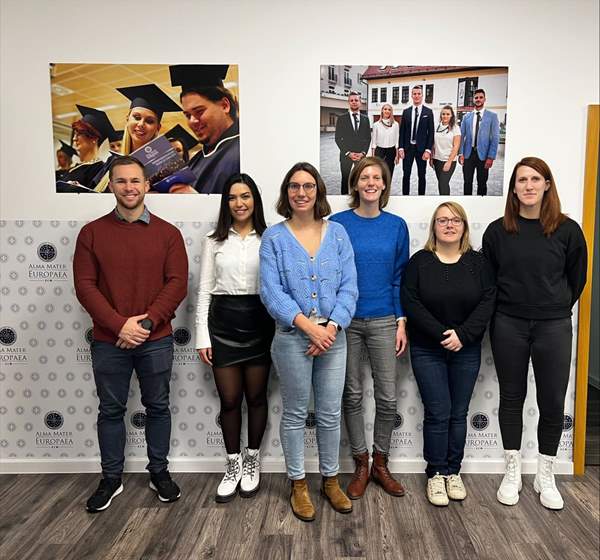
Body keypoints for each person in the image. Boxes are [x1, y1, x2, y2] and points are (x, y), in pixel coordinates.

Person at [73, 155, 188, 513]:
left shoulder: (168, 234)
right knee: (111, 410)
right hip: (109, 341)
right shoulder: (91, 233)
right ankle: (111, 478)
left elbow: (177, 284)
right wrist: (119, 325)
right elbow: (85, 286)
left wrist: (145, 324)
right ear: (111, 186)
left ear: (147, 185)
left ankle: (159, 473)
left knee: (158, 407)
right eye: (121, 181)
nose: (129, 187)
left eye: (135, 180)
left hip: (156, 340)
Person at [483, 157, 587, 510]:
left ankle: (546, 473)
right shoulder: (497, 232)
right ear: (513, 188)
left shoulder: (568, 230)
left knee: (552, 401)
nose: (528, 185)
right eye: (522, 180)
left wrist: (553, 306)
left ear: (547, 185)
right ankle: (512, 470)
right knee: (512, 397)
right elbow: (489, 281)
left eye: (535, 179)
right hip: (508, 324)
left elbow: (577, 280)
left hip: (553, 325)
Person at [260, 162, 358, 522]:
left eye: (308, 186)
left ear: (318, 191)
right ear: (286, 193)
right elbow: (271, 292)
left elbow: (349, 286)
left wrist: (329, 328)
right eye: (294, 186)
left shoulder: (338, 234)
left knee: (330, 413)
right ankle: (298, 484)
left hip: (334, 338)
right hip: (292, 339)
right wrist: (309, 328)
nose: (301, 193)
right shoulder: (274, 238)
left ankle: (331, 481)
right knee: (295, 413)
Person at [402, 202, 496, 506]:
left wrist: (463, 335)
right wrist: (443, 335)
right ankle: (436, 473)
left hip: (466, 349)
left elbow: (488, 301)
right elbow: (411, 301)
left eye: (456, 220)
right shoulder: (419, 262)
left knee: (458, 413)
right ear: (434, 226)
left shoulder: (478, 263)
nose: (449, 225)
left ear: (464, 226)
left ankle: (453, 471)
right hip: (427, 348)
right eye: (443, 220)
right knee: (438, 412)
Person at [329, 156, 409, 501]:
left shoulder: (397, 226)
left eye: (377, 177)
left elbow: (400, 278)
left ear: (384, 184)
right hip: (345, 321)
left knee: (387, 397)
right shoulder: (337, 224)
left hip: (384, 319)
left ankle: (381, 462)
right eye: (364, 177)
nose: (371, 183)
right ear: (355, 184)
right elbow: (330, 274)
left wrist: (401, 320)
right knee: (351, 394)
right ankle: (360, 463)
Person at [195, 173, 274, 502]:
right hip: (223, 325)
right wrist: (202, 336)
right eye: (232, 197)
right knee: (229, 401)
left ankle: (252, 460)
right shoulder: (213, 240)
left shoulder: (271, 237)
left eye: (245, 196)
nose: (239, 203)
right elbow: (204, 291)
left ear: (255, 200)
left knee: (256, 398)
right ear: (225, 202)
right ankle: (233, 464)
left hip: (260, 322)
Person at [169, 64, 240, 194]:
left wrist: (197, 201)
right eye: (188, 115)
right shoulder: (195, 161)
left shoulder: (243, 151)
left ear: (225, 105)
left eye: (199, 111)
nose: (192, 121)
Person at [57, 105, 113, 192]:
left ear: (94, 138)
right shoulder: (77, 167)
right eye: (74, 134)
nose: (74, 139)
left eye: (79, 134)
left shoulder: (99, 169)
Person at [459, 89, 500, 196]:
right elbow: (461, 136)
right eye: (476, 97)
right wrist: (461, 153)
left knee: (482, 184)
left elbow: (495, 138)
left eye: (481, 97)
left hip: (484, 156)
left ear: (484, 99)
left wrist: (491, 157)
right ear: (473, 99)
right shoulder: (466, 117)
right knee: (467, 182)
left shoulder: (492, 116)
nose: (478, 99)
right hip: (468, 155)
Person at [398, 85, 434, 196]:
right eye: (414, 94)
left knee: (422, 175)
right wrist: (401, 147)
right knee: (406, 175)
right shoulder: (406, 112)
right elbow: (402, 131)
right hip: (408, 148)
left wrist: (428, 150)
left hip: (422, 149)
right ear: (411, 95)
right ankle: (405, 197)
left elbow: (431, 133)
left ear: (422, 95)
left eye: (419, 94)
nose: (417, 96)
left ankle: (421, 198)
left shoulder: (428, 112)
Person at [334, 91, 371, 195]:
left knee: (360, 179)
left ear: (360, 102)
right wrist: (348, 153)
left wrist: (363, 153)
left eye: (356, 100)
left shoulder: (365, 119)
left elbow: (368, 138)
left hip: (360, 156)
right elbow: (338, 138)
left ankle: (359, 199)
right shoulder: (341, 118)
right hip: (346, 155)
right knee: (345, 179)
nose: (354, 102)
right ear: (349, 102)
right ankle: (343, 200)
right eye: (351, 100)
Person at [431, 106, 461, 195]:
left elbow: (456, 146)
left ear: (452, 116)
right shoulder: (437, 126)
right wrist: (431, 158)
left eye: (448, 114)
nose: (445, 116)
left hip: (449, 161)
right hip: (437, 160)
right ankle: (443, 199)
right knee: (441, 184)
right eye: (443, 114)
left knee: (443, 183)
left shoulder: (455, 128)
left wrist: (449, 162)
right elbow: (433, 144)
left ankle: (446, 200)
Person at [370, 104, 399, 178]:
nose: (387, 111)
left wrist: (397, 155)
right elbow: (373, 143)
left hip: (391, 151)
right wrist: (373, 156)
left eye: (389, 109)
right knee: (379, 172)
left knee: (389, 172)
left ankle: (388, 185)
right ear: (382, 111)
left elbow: (397, 141)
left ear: (391, 112)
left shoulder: (395, 124)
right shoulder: (376, 125)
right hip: (379, 151)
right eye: (385, 109)